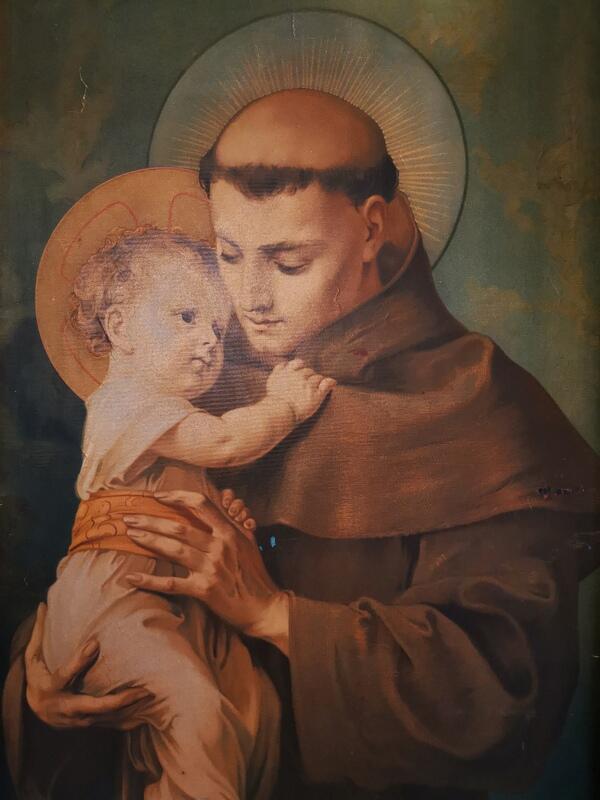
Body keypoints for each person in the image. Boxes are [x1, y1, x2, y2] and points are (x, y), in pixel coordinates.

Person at [5, 90, 600, 800]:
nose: (250, 299)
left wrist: (273, 615)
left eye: (287, 263)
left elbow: (505, 693)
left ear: (371, 227)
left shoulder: (481, 409)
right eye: (229, 256)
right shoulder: (194, 384)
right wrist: (49, 681)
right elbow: (108, 582)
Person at [36, 224, 334, 800]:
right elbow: (224, 442)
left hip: (170, 599)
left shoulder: (161, 420)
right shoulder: (125, 403)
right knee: (196, 714)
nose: (209, 342)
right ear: (120, 327)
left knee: (256, 709)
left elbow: (178, 489)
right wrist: (285, 406)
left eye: (218, 329)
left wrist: (220, 516)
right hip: (115, 602)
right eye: (186, 317)